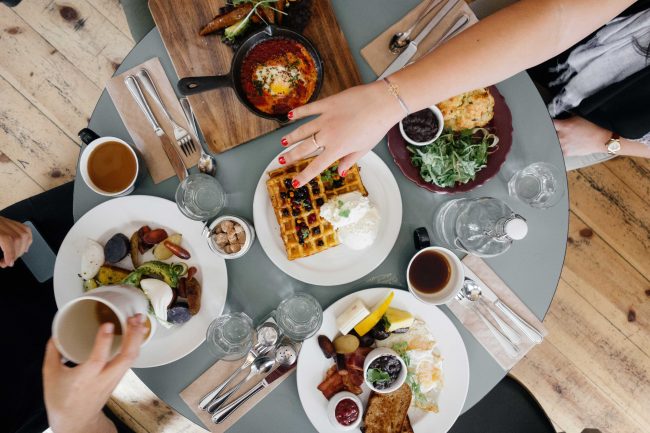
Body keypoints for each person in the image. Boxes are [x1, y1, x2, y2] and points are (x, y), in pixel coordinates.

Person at [277, 0, 646, 185]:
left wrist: (608, 143)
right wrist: (390, 99)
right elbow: (558, 18)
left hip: (600, 127)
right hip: (521, 30)